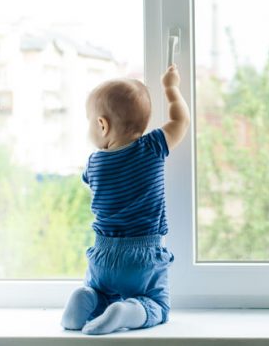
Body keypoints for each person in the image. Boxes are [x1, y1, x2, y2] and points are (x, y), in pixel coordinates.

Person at [60, 64, 189, 335]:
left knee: (101, 293)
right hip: (143, 256)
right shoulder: (152, 147)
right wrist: (171, 87)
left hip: (103, 255)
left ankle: (84, 299)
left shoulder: (94, 164)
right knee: (156, 306)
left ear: (102, 125)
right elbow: (181, 122)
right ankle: (127, 312)